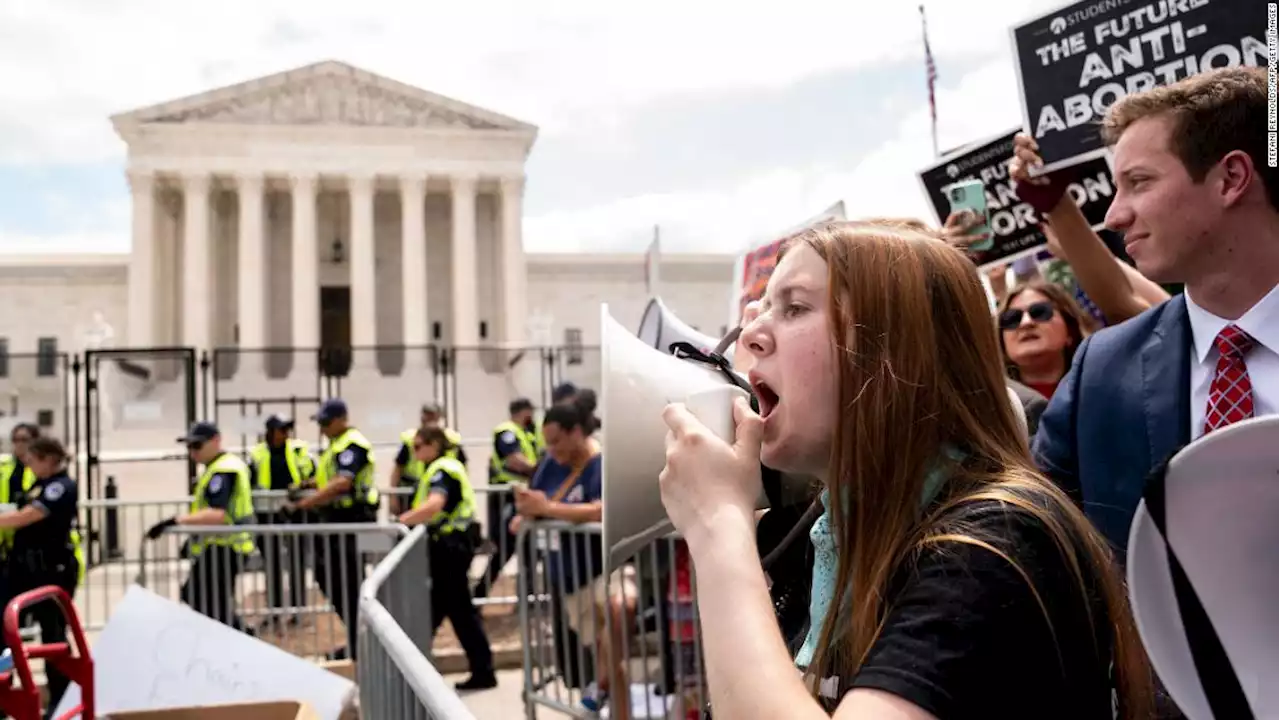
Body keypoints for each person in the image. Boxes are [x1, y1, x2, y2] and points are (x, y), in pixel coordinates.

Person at [657, 219, 1154, 718]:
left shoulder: (988, 543)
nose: (752, 336)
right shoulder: (836, 536)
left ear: (896, 346)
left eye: (795, 308)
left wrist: (718, 525)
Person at [1034, 66, 1280, 555]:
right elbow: (1032, 541)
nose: (1114, 215)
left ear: (1231, 178)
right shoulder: (1100, 373)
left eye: (1138, 182)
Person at [512, 404, 636, 719]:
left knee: (622, 607)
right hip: (568, 578)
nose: (551, 450)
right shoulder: (549, 465)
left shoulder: (600, 464)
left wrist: (548, 510)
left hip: (604, 568)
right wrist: (526, 511)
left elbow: (600, 510)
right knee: (605, 656)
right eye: (547, 443)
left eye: (556, 442)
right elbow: (532, 502)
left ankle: (601, 688)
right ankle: (605, 696)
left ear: (576, 433)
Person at [396, 426, 497, 691]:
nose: (414, 453)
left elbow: (434, 505)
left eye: (418, 447)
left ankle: (481, 670)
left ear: (434, 445)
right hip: (448, 547)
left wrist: (401, 522)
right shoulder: (440, 468)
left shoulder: (443, 469)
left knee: (456, 611)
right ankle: (414, 668)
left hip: (450, 548)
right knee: (439, 610)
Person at [286, 398, 379, 661]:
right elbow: (330, 477)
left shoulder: (352, 444)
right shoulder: (337, 445)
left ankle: (362, 643)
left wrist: (305, 503)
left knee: (348, 584)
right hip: (337, 520)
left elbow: (342, 483)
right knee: (334, 581)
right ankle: (357, 640)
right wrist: (307, 484)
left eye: (326, 422)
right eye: (321, 423)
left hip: (351, 519)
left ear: (342, 419)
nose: (323, 428)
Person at [0, 436, 82, 716]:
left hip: (49, 572)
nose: (30, 466)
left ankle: (61, 697)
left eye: (33, 460)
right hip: (24, 570)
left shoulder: (60, 486)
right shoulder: (41, 485)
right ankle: (4, 694)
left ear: (48, 459)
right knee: (7, 634)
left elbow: (27, 517)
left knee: (53, 637)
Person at [147, 422, 255, 631]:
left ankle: (244, 638)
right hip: (219, 547)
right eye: (189, 447)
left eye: (197, 446)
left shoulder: (223, 470)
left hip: (226, 548)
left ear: (216, 441)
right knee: (210, 601)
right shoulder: (217, 467)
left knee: (205, 599)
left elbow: (218, 514)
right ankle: (236, 638)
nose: (192, 452)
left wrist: (176, 521)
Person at [247, 414, 314, 624]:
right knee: (272, 563)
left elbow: (315, 475)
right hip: (267, 515)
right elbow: (248, 482)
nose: (286, 434)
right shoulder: (256, 454)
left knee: (296, 561)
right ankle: (274, 611)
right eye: (281, 429)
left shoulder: (298, 450)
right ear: (270, 431)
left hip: (294, 512)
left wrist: (302, 486)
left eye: (288, 430)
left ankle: (297, 610)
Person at [473, 398, 540, 600]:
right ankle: (479, 594)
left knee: (530, 548)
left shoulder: (527, 433)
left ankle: (528, 597)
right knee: (505, 549)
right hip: (507, 498)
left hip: (519, 496)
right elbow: (514, 460)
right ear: (523, 412)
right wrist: (537, 471)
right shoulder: (507, 431)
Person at [996, 279, 1096, 400]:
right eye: (1012, 318)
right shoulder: (995, 400)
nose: (1026, 323)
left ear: (1070, 330)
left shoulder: (1102, 385)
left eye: (1039, 312)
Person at [391, 403, 466, 515]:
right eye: (426, 415)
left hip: (445, 491)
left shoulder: (452, 439)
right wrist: (393, 497)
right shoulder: (410, 439)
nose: (428, 419)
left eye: (432, 415)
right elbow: (398, 468)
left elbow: (464, 467)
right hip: (414, 491)